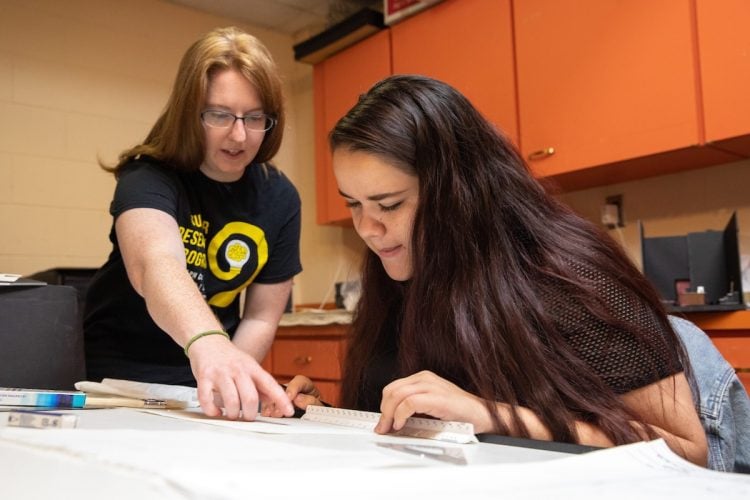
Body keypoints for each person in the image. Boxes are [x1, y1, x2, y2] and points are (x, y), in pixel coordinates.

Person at [272, 75, 708, 466]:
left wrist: (487, 416)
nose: (368, 229)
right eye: (354, 203)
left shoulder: (571, 278)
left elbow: (687, 451)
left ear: (459, 191)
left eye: (389, 204)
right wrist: (328, 415)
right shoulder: (400, 271)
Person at [84, 27, 298, 420]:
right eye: (219, 115)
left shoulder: (280, 197)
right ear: (189, 112)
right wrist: (210, 342)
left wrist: (228, 376)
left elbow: (260, 316)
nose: (239, 135)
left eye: (254, 118)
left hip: (203, 377)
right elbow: (155, 265)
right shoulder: (148, 177)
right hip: (117, 379)